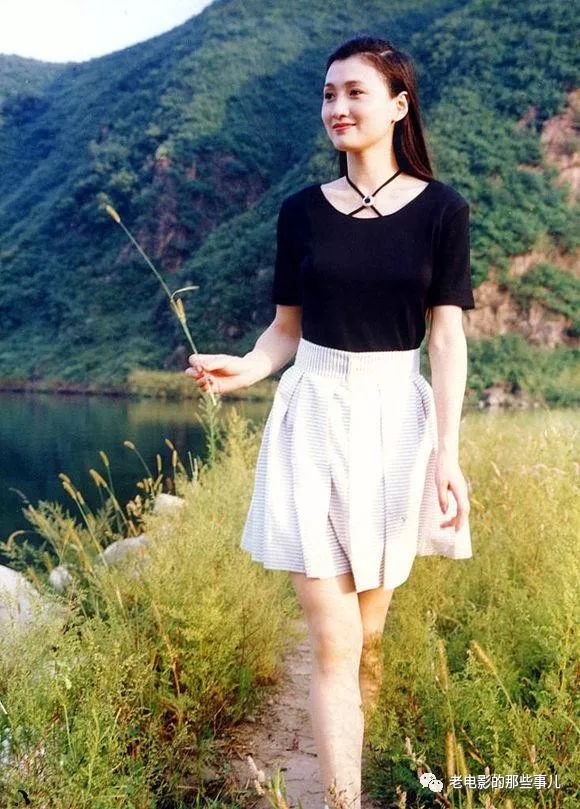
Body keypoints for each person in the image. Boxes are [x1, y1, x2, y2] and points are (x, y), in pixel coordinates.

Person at [185, 34, 476, 809]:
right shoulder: (302, 212)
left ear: (399, 106)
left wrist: (447, 454)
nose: (337, 107)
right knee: (334, 638)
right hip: (313, 414)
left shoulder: (443, 211)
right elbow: (286, 330)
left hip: (396, 423)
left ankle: (353, 767)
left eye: (355, 92)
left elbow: (447, 339)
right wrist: (247, 367)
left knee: (367, 637)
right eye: (328, 94)